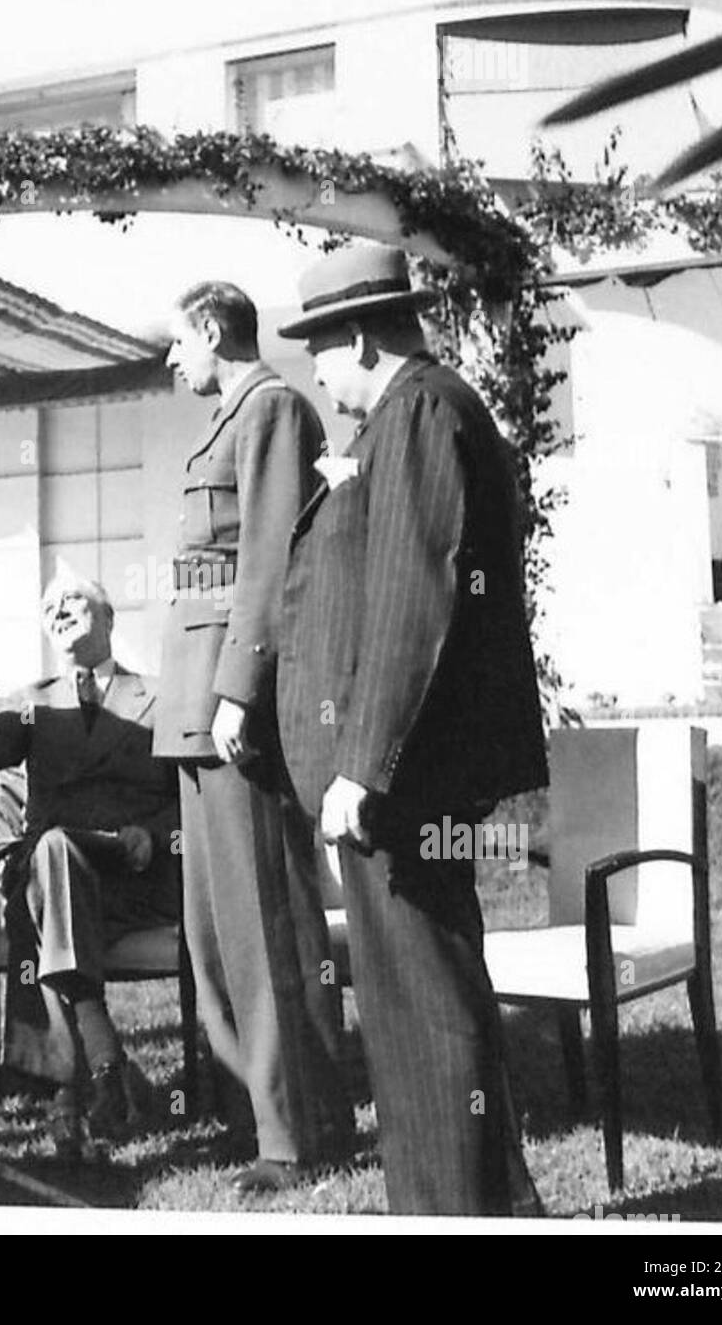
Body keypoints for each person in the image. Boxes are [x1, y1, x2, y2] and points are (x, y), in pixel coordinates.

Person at [275, 244, 548, 1215]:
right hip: (411, 775)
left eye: (319, 349)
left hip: (405, 779)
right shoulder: (417, 413)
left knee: (423, 1011)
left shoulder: (419, 411)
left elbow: (409, 602)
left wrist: (363, 766)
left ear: (359, 334)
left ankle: (453, 1214)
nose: (316, 372)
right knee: (429, 999)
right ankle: (488, 1205)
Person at [154, 281, 352, 1197]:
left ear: (208, 330)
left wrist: (240, 689)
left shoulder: (270, 407)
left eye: (176, 344)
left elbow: (270, 555)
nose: (169, 361)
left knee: (268, 923)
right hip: (195, 713)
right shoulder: (232, 414)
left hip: (234, 711)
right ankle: (254, 1109)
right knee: (215, 929)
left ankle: (298, 1132)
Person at [0, 572, 181, 1159]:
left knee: (44, 885)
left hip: (131, 874)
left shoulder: (158, 697)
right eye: (49, 605)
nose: (59, 608)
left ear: (110, 617)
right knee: (50, 854)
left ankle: (72, 1089)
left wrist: (156, 834)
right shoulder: (33, 705)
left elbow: (192, 793)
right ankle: (103, 1072)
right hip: (60, 875)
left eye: (73, 599)